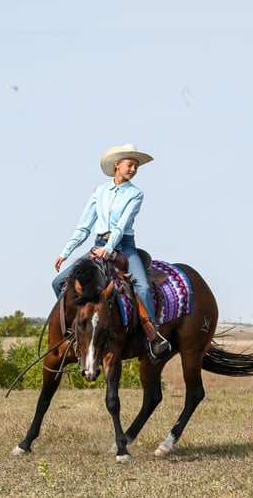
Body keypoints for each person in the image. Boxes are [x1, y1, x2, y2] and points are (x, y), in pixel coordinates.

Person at [52, 143, 171, 360]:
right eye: (129, 164)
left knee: (142, 286)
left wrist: (108, 249)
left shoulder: (136, 194)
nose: (133, 169)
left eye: (136, 166)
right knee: (58, 283)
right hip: (98, 245)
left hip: (124, 245)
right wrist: (66, 252)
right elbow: (84, 226)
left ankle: (153, 338)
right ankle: (72, 332)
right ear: (117, 165)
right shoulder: (99, 192)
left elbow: (121, 226)